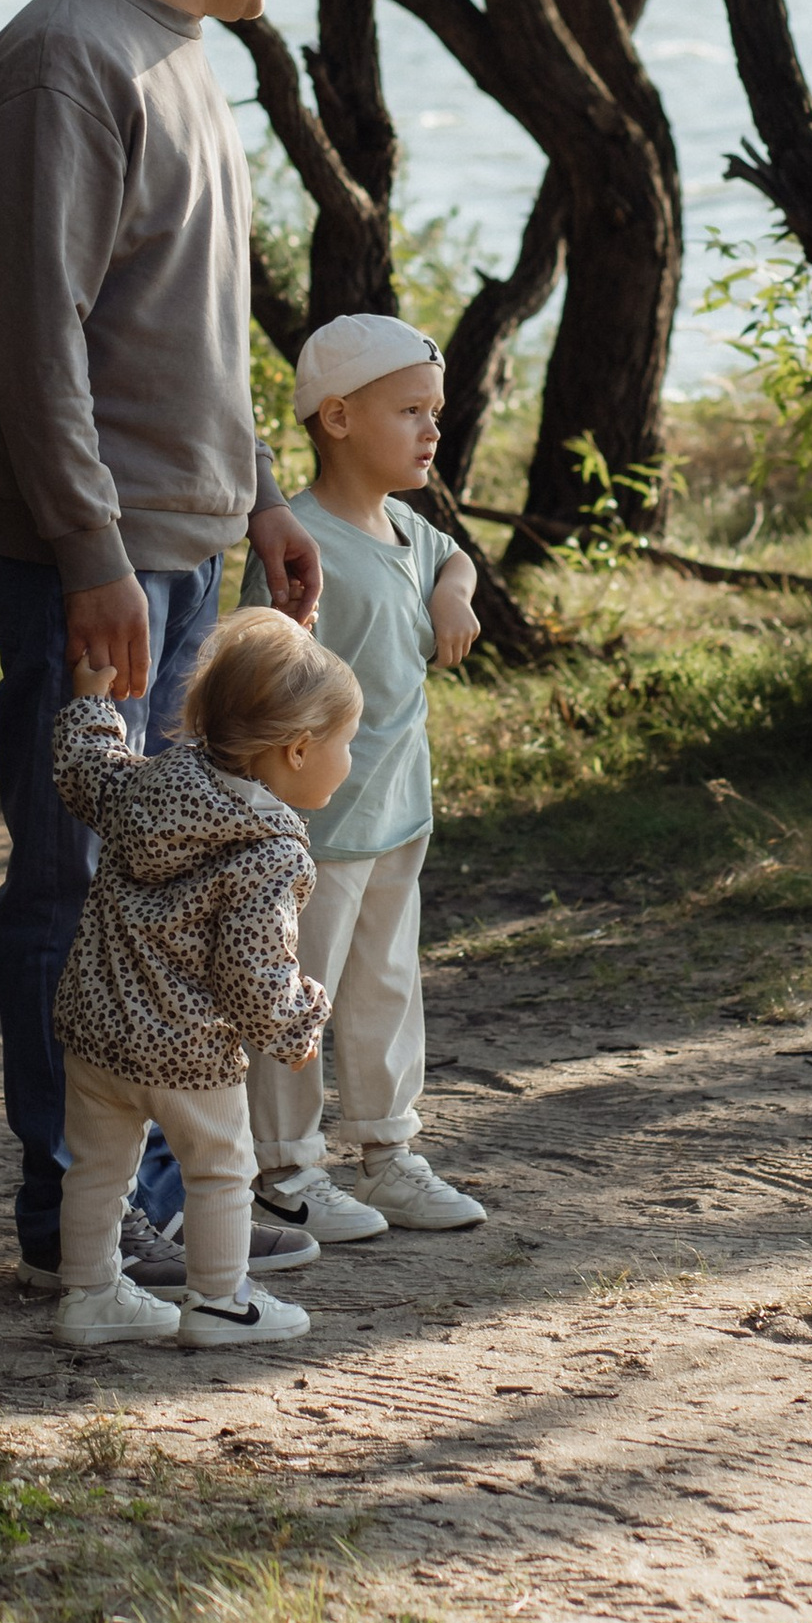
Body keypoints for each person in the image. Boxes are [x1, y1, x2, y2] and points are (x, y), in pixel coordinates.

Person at [0, 0, 334, 1292]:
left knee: (164, 885)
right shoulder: (65, 62)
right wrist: (93, 552)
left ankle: (167, 1189)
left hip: (182, 531)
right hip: (92, 556)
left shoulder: (185, 57)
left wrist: (258, 490)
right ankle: (77, 1215)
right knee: (73, 873)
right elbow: (38, 343)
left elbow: (193, 323)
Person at [47, 610, 362, 1348]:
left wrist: (94, 701)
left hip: (98, 1032)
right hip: (189, 1053)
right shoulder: (271, 852)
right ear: (296, 750)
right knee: (221, 1169)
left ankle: (89, 1295)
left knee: (96, 1171)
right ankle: (220, 1302)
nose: (352, 757)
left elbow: (86, 767)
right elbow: (254, 972)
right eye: (346, 743)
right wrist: (298, 1024)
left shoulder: (147, 789)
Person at [240, 311, 489, 1238]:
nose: (433, 430)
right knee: (294, 995)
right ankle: (288, 1171)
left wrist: (454, 592)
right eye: (411, 412)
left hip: (396, 814)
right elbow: (256, 680)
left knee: (388, 986)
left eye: (436, 410)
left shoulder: (406, 526)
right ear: (338, 418)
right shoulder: (298, 544)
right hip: (314, 826)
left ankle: (388, 1153)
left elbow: (452, 556)